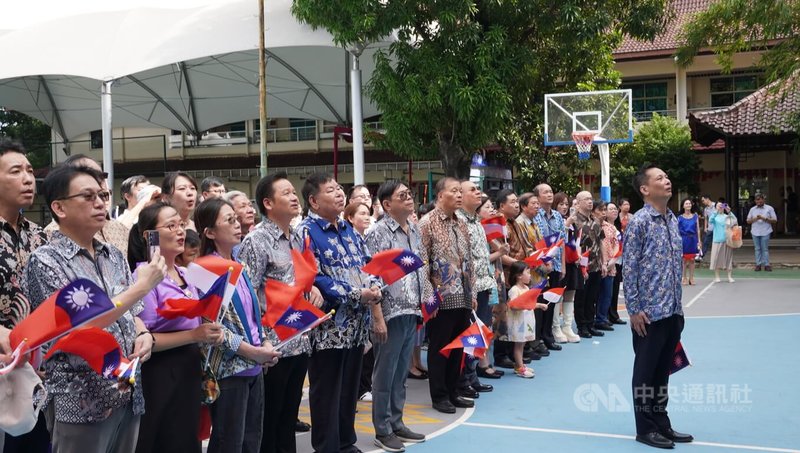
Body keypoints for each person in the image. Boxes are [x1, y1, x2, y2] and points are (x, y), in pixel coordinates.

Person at [23, 165, 166, 453]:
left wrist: (144, 334)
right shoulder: (45, 260)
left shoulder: (112, 254)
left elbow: (132, 312)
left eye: (102, 194)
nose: (100, 203)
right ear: (59, 208)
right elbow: (76, 328)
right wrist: (142, 286)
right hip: (81, 399)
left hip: (126, 391)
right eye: (88, 196)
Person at [294, 173, 381, 453]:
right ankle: (327, 446)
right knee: (327, 389)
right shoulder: (306, 231)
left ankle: (345, 441)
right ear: (313, 200)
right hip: (328, 327)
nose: (340, 194)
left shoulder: (347, 228)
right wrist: (357, 294)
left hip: (356, 324)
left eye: (340, 189)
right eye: (331, 190)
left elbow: (368, 264)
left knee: (348, 388)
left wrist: (376, 285)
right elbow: (314, 277)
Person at [129, 202, 224, 453]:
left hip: (189, 366)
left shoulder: (187, 273)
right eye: (171, 225)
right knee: (162, 438)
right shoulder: (144, 277)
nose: (180, 231)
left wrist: (210, 329)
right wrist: (195, 334)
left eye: (181, 224)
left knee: (186, 438)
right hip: (159, 371)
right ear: (149, 236)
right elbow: (145, 336)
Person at [238, 172, 322, 453]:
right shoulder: (256, 241)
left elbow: (301, 279)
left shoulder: (297, 237)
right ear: (268, 203)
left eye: (292, 191)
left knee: (288, 415)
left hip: (299, 338)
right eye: (285, 193)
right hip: (272, 343)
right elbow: (246, 294)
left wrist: (314, 290)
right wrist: (259, 341)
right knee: (270, 418)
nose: (293, 196)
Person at [195, 198, 281, 453]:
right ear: (210, 232)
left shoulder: (237, 265)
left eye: (236, 218)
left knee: (250, 441)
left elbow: (253, 316)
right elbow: (210, 328)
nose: (237, 224)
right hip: (228, 372)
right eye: (229, 220)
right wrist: (250, 351)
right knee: (228, 443)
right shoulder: (202, 270)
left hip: (253, 367)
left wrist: (263, 342)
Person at [624, 164, 692, 449]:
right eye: (660, 178)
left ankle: (662, 423)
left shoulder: (672, 219)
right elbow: (629, 268)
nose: (667, 180)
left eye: (667, 176)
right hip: (648, 315)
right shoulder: (639, 222)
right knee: (646, 372)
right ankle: (645, 427)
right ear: (645, 189)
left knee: (663, 372)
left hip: (673, 311)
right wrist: (634, 308)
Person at [365, 180, 427, 452]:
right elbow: (371, 276)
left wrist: (424, 302)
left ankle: (397, 422)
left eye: (410, 194)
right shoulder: (378, 232)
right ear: (387, 204)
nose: (409, 198)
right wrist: (377, 316)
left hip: (410, 309)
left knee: (401, 372)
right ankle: (382, 428)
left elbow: (418, 268)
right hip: (389, 313)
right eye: (403, 195)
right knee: (385, 374)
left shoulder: (413, 228)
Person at [0, 139, 49, 452]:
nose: (28, 178)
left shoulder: (41, 235)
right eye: (15, 171)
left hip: (36, 371)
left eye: (30, 171)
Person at [417, 177, 475, 414]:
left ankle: (453, 391)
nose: (460, 195)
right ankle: (439, 395)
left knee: (458, 347)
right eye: (455, 191)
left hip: (463, 295)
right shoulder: (426, 223)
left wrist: (471, 291)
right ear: (440, 196)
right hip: (441, 298)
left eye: (461, 191)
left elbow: (467, 259)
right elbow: (422, 262)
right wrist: (430, 298)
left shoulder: (461, 223)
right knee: (440, 348)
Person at [455, 180, 495, 399]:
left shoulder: (477, 222)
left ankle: (472, 377)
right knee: (468, 337)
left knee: (479, 335)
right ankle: (463, 380)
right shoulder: (458, 222)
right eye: (472, 189)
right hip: (469, 290)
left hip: (484, 285)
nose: (478, 192)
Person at [44, 154, 130, 255]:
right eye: (88, 195)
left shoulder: (120, 229)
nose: (95, 182)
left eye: (100, 177)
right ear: (59, 207)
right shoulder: (49, 238)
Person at [475, 195, 507, 378]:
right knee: (482, 322)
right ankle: (482, 362)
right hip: (482, 280)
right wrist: (500, 253)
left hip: (492, 280)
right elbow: (483, 259)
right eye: (488, 207)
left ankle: (486, 360)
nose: (492, 210)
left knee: (488, 322)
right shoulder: (476, 229)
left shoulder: (488, 230)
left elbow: (499, 250)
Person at [533, 183, 566, 346]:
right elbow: (537, 243)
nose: (549, 194)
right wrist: (545, 261)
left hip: (557, 264)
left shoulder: (558, 216)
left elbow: (562, 242)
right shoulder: (535, 215)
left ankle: (548, 336)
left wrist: (563, 266)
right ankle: (538, 338)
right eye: (545, 192)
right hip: (540, 266)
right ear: (538, 197)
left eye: (551, 191)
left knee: (551, 301)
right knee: (540, 302)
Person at [571, 192, 605, 338]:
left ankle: (590, 324)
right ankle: (582, 326)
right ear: (578, 203)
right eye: (586, 199)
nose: (590, 202)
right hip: (582, 266)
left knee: (592, 297)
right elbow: (571, 244)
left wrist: (603, 263)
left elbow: (601, 241)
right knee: (581, 298)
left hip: (596, 265)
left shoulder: (595, 221)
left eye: (591, 199)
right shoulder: (574, 221)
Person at [505, 262, 546, 378]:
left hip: (526, 320)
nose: (530, 275)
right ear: (518, 276)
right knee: (518, 345)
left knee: (522, 344)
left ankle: (520, 364)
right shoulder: (514, 290)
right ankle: (520, 368)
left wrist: (539, 305)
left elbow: (529, 303)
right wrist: (525, 306)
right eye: (527, 273)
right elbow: (513, 306)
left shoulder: (527, 288)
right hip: (518, 323)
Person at [553, 192, 581, 342]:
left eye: (566, 204)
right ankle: (556, 327)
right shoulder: (559, 221)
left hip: (572, 262)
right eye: (561, 204)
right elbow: (558, 238)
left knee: (571, 293)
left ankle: (567, 326)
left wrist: (578, 255)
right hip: (559, 261)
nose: (564, 207)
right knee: (558, 294)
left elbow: (576, 240)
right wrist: (567, 224)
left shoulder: (571, 221)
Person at [595, 202, 619, 330]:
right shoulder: (594, 226)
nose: (604, 212)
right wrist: (603, 262)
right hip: (597, 264)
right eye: (602, 210)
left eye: (605, 209)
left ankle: (602, 318)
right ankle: (597, 318)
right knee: (596, 294)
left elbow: (616, 244)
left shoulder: (610, 227)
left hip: (610, 264)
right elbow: (600, 245)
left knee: (607, 294)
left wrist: (613, 260)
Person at [605, 202, 627, 326]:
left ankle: (613, 314)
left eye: (615, 209)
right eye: (610, 209)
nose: (614, 211)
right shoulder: (605, 227)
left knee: (615, 288)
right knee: (606, 290)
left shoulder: (618, 228)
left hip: (618, 261)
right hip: (608, 262)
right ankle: (605, 315)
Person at [746, 193, 777, 271]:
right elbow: (748, 221)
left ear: (763, 200)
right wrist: (755, 219)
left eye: (760, 200)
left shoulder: (769, 208)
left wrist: (764, 218)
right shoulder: (752, 209)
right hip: (755, 231)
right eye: (757, 201)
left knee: (765, 249)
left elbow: (775, 220)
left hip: (766, 231)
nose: (758, 202)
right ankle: (758, 264)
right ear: (755, 201)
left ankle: (767, 265)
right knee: (757, 248)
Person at [709, 202, 738, 283]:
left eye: (722, 205)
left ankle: (729, 276)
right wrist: (716, 211)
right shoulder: (715, 216)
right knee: (716, 258)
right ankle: (717, 276)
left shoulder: (726, 217)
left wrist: (729, 211)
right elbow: (710, 220)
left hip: (727, 240)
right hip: (717, 240)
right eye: (719, 206)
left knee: (728, 258)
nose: (721, 207)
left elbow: (734, 221)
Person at [678, 199, 701, 285]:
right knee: (684, 260)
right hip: (684, 239)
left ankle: (691, 277)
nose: (688, 205)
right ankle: (684, 277)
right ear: (683, 206)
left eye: (689, 203)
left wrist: (699, 241)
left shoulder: (695, 216)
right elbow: (677, 231)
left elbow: (698, 229)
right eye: (686, 203)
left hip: (693, 239)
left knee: (692, 259)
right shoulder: (680, 217)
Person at [699, 195, 715, 260]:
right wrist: (705, 227)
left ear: (707, 199)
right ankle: (701, 256)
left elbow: (726, 207)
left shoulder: (716, 205)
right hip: (710, 228)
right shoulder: (706, 209)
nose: (703, 202)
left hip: (718, 228)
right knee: (705, 241)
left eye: (703, 200)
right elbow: (706, 218)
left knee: (718, 243)